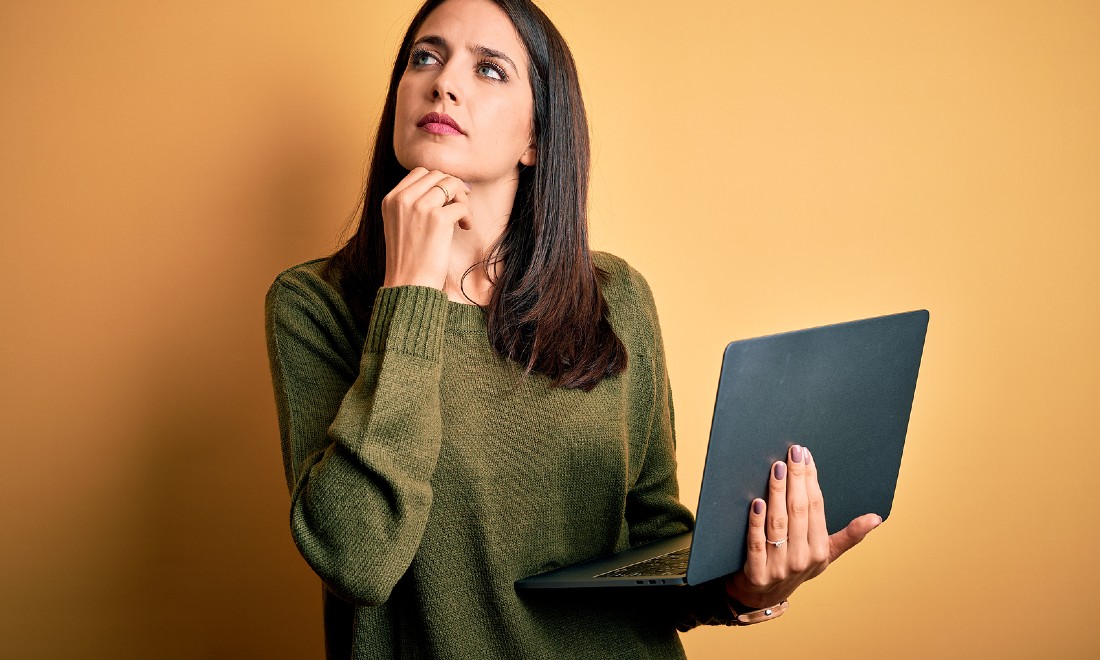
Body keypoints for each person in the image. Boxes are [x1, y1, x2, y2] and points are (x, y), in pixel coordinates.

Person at [264, 0, 882, 657]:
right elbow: (356, 559)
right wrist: (410, 292)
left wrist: (746, 589)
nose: (444, 81)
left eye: (491, 70)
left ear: (536, 138)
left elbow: (654, 543)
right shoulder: (314, 305)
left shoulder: (615, 299)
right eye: (426, 57)